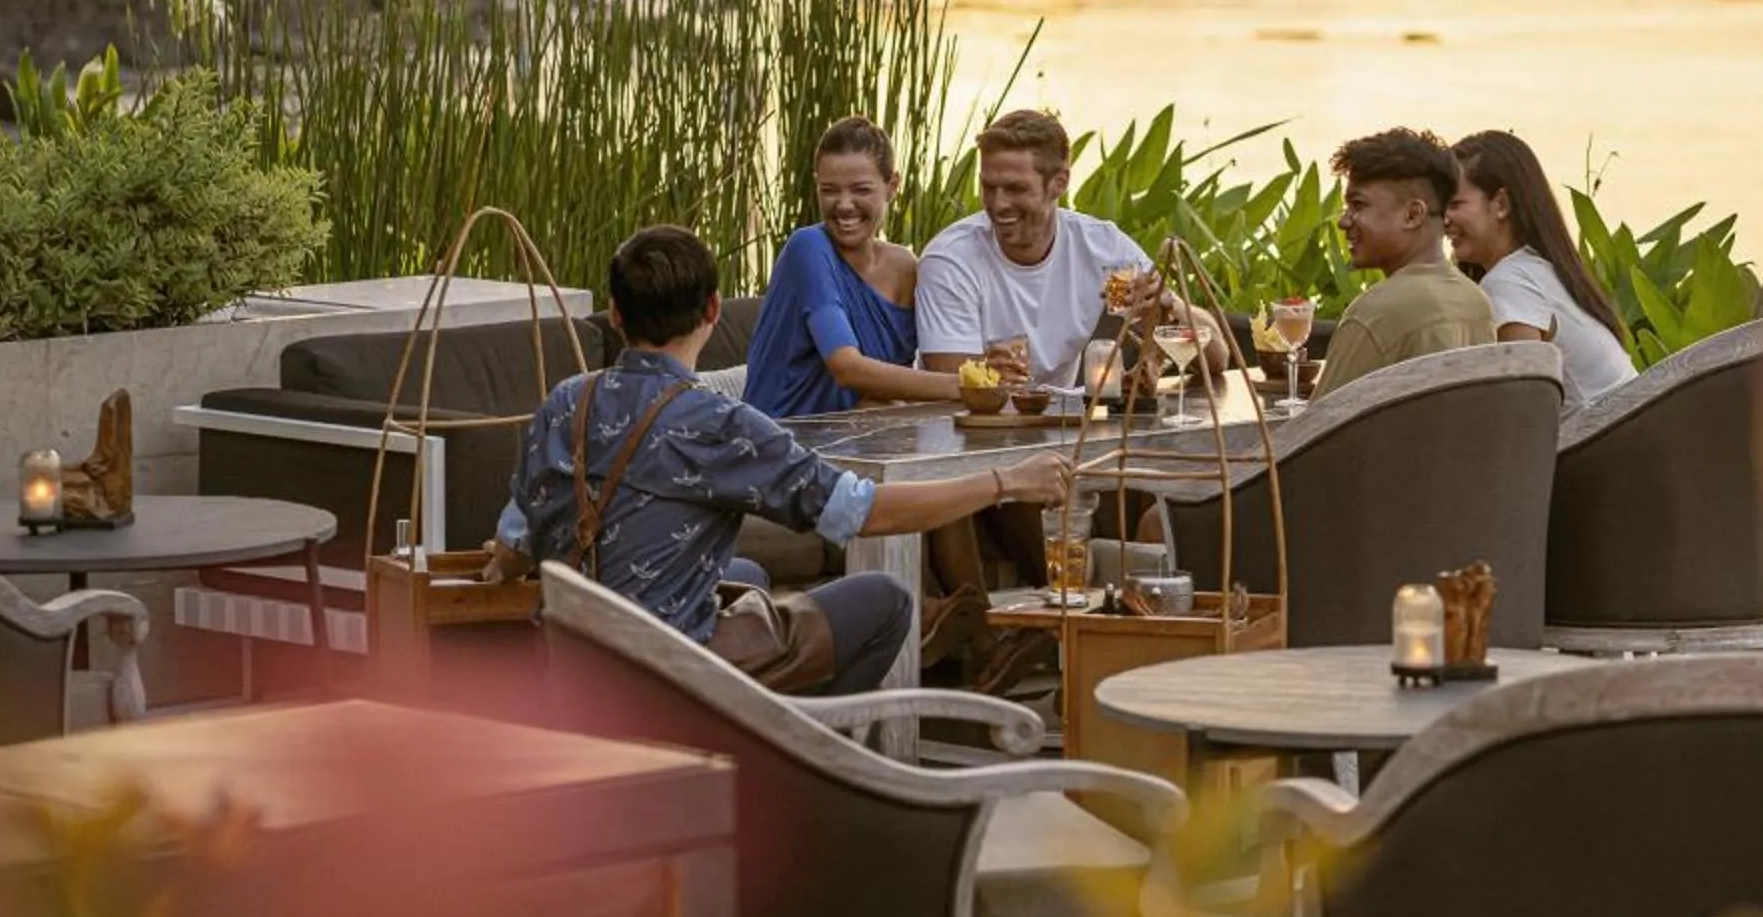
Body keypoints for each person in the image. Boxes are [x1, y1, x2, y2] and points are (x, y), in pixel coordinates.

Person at [484, 224, 1068, 695]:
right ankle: (795, 754)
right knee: (888, 602)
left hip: (572, 661)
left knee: (747, 576)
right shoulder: (720, 425)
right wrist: (1005, 480)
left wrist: (504, 566)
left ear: (614, 314)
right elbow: (861, 513)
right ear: (714, 310)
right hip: (673, 677)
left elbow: (516, 538)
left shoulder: (566, 401)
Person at [916, 108, 1225, 386]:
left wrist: (1166, 307)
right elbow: (952, 387)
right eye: (988, 187)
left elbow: (1214, 360)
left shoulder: (1100, 253)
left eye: (1015, 188)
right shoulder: (953, 260)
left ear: (1059, 183)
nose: (998, 204)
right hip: (967, 435)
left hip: (1058, 433)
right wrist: (988, 371)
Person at [745, 115, 964, 419]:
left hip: (865, 443)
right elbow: (847, 368)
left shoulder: (906, 268)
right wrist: (966, 387)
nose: (844, 204)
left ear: (892, 185)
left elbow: (888, 390)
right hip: (780, 446)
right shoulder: (807, 248)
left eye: (861, 190)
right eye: (830, 190)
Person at [1444, 130, 1639, 407]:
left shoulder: (1509, 282)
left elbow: (1523, 409)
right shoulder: (1542, 269)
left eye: (1454, 204)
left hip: (1607, 445)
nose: (1444, 219)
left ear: (1501, 204)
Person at [1316, 128, 1496, 400]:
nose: (1344, 221)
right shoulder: (1476, 301)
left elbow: (1318, 430)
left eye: (1358, 205)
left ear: (1413, 215)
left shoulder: (1377, 313)